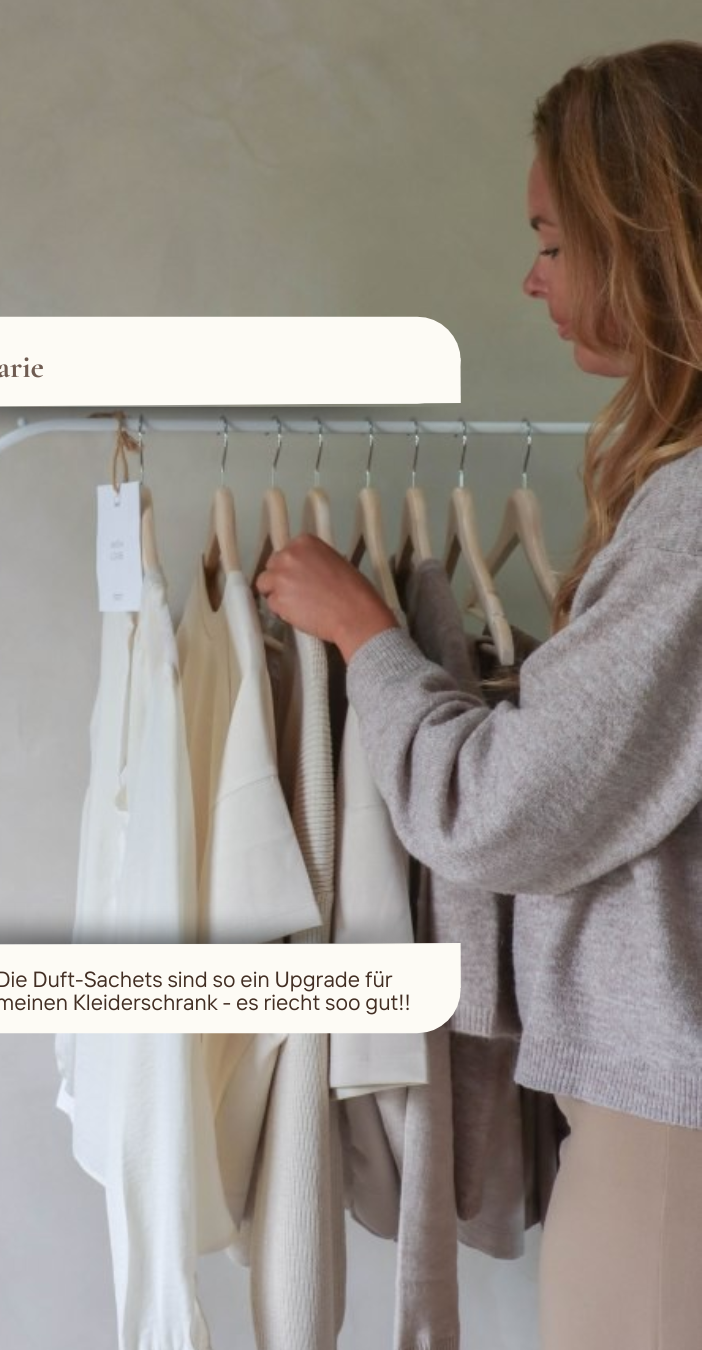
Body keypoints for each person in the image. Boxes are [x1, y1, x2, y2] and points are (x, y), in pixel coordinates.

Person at [256, 41, 702, 1350]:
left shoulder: (691, 520)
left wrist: (365, 635)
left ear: (651, 241)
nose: (532, 278)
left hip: (671, 1134)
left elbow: (505, 807)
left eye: (554, 241)